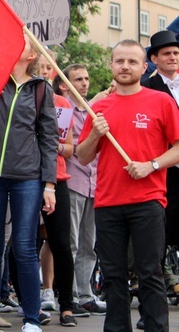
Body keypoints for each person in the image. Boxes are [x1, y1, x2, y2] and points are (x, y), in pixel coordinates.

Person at [77, 39, 179, 332]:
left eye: (132, 61)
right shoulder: (99, 107)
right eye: (120, 61)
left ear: (144, 67)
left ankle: (156, 327)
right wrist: (95, 134)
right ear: (110, 65)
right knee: (113, 276)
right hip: (108, 203)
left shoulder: (161, 102)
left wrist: (152, 165)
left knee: (150, 273)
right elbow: (83, 157)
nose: (125, 66)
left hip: (148, 200)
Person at [0, 33, 58, 332]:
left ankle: (32, 319)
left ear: (31, 55)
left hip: (27, 179)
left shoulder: (41, 90)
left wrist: (49, 184)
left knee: (24, 248)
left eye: (20, 42)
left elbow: (49, 139)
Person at [52, 65, 110, 317]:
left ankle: (86, 294)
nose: (85, 83)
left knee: (90, 243)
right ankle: (71, 294)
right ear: (65, 83)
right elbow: (64, 144)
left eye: (87, 78)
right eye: (78, 79)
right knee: (71, 242)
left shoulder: (96, 108)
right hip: (73, 179)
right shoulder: (63, 108)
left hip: (95, 182)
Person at [36, 52, 77, 326]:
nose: (43, 70)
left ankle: (67, 306)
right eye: (38, 65)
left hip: (58, 179)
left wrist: (52, 144)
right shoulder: (20, 98)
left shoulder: (61, 103)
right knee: (24, 244)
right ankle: (32, 303)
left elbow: (71, 149)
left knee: (61, 243)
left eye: (47, 66)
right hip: (25, 178)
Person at [142, 30, 179, 297]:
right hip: (164, 169)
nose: (173, 57)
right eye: (167, 53)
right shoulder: (147, 87)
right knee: (159, 235)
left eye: (176, 53)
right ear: (154, 58)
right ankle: (154, 295)